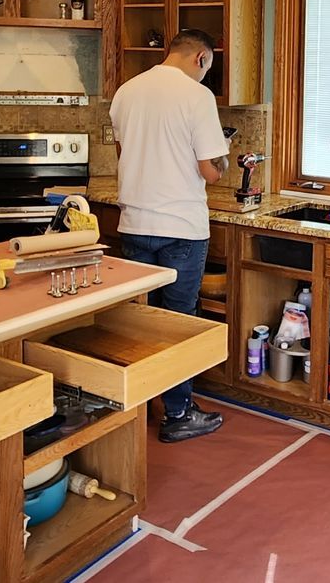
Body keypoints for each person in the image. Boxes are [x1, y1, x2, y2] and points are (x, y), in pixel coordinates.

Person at [109, 28, 230, 443]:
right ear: (200, 59)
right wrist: (224, 163)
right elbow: (209, 170)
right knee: (177, 323)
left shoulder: (126, 91)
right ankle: (178, 414)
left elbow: (125, 154)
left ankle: (137, 405)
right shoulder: (197, 97)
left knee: (138, 322)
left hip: (135, 225)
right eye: (207, 69)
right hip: (181, 228)